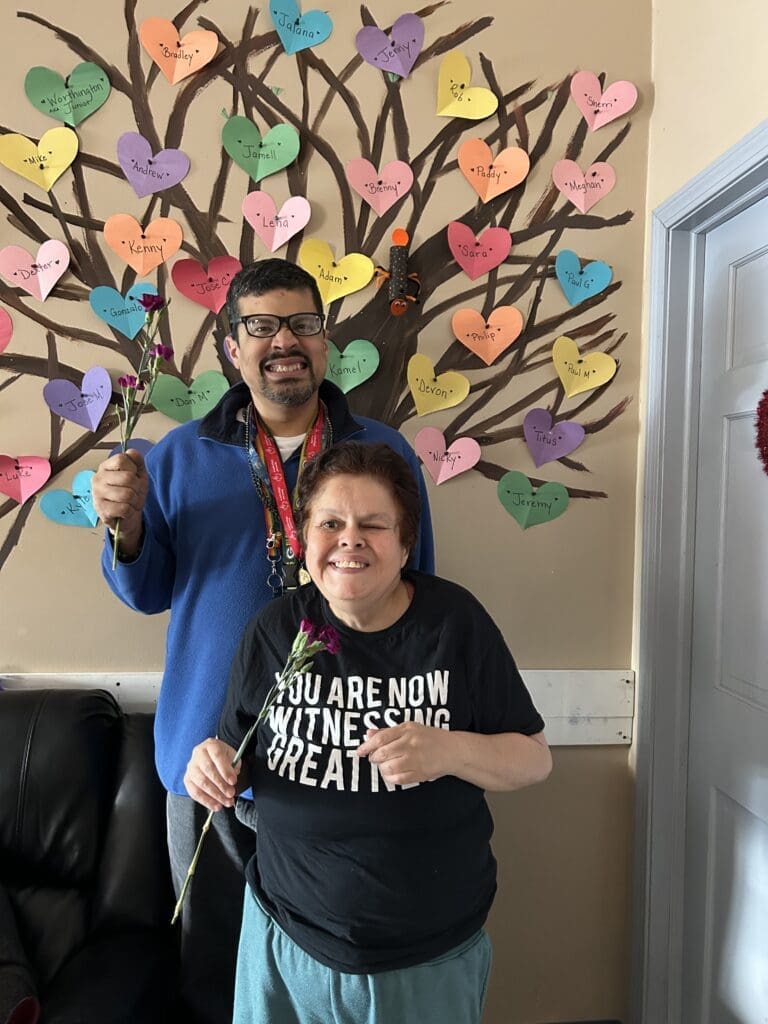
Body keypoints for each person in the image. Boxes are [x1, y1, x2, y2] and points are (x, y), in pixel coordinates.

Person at [91, 260, 435, 1024]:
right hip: (209, 758)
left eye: (303, 324)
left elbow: (421, 598)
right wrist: (126, 523)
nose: (285, 340)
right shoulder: (176, 455)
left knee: (331, 971)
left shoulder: (382, 454)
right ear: (230, 347)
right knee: (213, 971)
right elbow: (146, 593)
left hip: (342, 762)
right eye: (262, 325)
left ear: (325, 340)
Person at [185, 441, 551, 1024]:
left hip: (423, 960)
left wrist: (450, 749)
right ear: (305, 540)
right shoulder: (274, 630)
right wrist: (213, 761)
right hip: (284, 942)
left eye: (373, 525)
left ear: (406, 544)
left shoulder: (455, 624)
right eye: (330, 523)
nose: (350, 539)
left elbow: (535, 760)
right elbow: (238, 752)